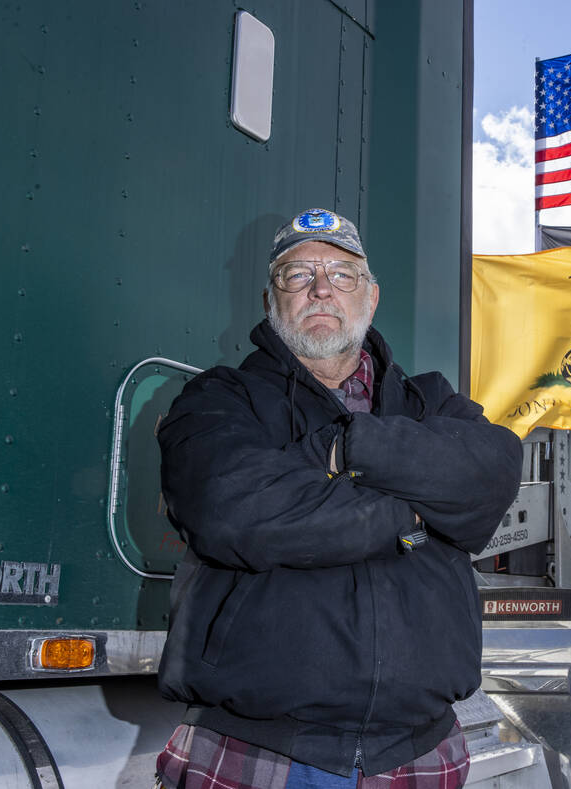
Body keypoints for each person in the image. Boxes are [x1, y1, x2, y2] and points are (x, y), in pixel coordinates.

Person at [153, 208, 523, 789]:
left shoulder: (432, 401)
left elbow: (495, 472)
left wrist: (350, 448)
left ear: (370, 298)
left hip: (422, 750)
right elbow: (234, 514)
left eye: (343, 274)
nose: (322, 288)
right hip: (257, 748)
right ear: (271, 301)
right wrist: (415, 512)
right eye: (297, 275)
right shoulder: (217, 400)